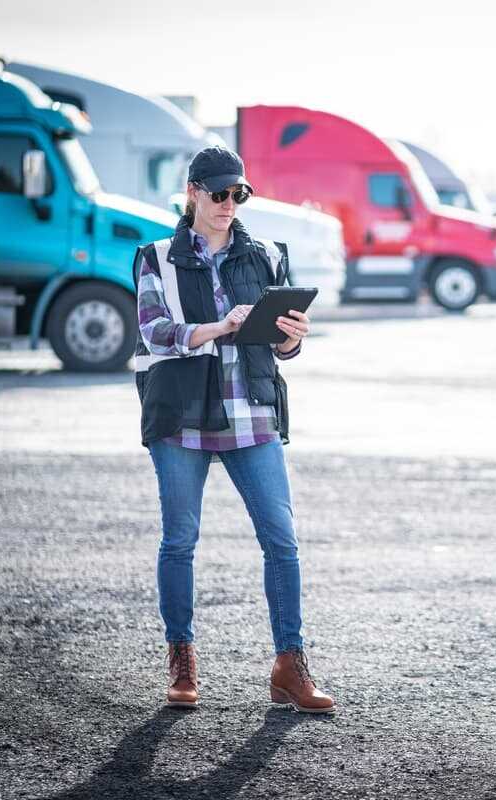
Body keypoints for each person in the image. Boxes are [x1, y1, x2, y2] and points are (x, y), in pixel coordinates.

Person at [132, 145, 334, 714]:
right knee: (179, 541)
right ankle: (182, 659)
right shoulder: (155, 257)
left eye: (237, 194)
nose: (228, 204)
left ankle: (289, 666)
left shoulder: (268, 254)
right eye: (218, 193)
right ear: (193, 191)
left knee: (282, 541)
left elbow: (283, 348)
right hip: (182, 414)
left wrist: (292, 336)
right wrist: (220, 326)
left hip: (252, 412)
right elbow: (154, 333)